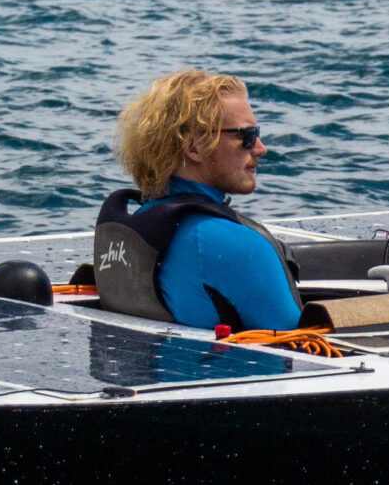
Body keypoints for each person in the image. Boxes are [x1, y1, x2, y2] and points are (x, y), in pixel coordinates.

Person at [93, 70, 302, 332]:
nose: (260, 148)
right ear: (194, 148)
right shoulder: (237, 246)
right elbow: (301, 349)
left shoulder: (139, 231)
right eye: (246, 136)